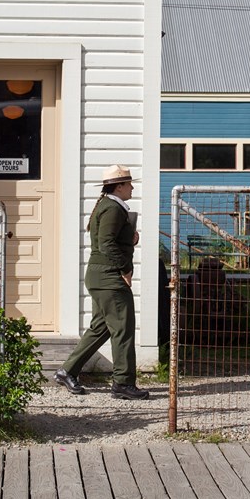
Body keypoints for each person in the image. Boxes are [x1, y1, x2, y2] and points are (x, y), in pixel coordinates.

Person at [54, 164, 150, 400]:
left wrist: (131, 238)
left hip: (100, 276)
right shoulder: (113, 209)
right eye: (128, 184)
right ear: (119, 186)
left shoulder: (109, 206)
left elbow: (107, 240)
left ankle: (67, 371)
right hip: (108, 278)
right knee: (123, 329)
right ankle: (123, 383)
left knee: (102, 327)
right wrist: (126, 268)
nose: (132, 187)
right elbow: (106, 244)